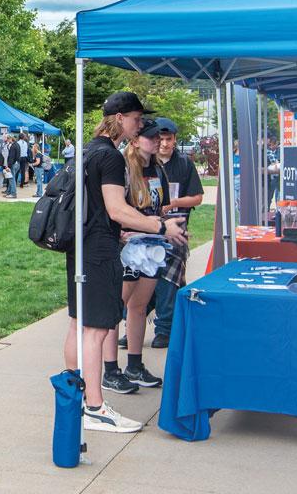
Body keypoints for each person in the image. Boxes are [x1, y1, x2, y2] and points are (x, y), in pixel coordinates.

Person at [63, 92, 187, 434]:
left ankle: (75, 399)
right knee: (98, 328)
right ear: (119, 118)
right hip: (100, 250)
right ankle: (94, 406)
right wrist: (161, 226)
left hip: (80, 246)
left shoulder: (86, 151)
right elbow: (117, 210)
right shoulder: (112, 158)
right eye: (135, 118)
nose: (140, 125)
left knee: (78, 323)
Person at [103, 118, 172, 392]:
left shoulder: (156, 168)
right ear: (135, 140)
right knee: (113, 309)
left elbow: (161, 205)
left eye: (159, 136)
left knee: (140, 306)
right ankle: (110, 369)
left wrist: (165, 222)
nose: (157, 140)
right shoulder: (122, 168)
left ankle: (134, 364)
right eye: (151, 136)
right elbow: (115, 207)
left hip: (151, 245)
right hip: (128, 247)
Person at [151, 117, 204, 349]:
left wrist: (173, 203)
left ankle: (164, 328)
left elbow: (198, 197)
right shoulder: (144, 162)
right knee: (142, 277)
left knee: (168, 279)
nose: (164, 144)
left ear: (175, 139)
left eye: (168, 139)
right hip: (147, 226)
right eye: (160, 139)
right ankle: (133, 324)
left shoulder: (184, 164)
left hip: (176, 226)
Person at [4, 134, 21, 199]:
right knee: (12, 178)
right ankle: (9, 192)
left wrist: (8, 166)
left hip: (13, 164)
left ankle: (13, 194)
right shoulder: (17, 145)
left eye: (8, 139)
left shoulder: (13, 146)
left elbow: (11, 157)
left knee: (11, 179)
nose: (7, 141)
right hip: (17, 163)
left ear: (10, 139)